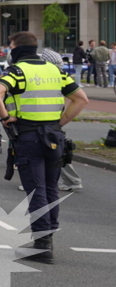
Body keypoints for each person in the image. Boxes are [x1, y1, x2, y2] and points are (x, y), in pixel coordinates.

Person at [0, 31, 88, 264]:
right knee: (51, 188)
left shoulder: (17, 71)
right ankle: (48, 237)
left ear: (17, 49)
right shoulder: (55, 70)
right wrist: (59, 123)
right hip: (54, 136)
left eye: (11, 46)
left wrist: (5, 117)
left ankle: (42, 246)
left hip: (29, 136)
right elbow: (81, 99)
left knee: (37, 190)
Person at [40, 48, 84, 193]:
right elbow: (80, 99)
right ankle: (71, 180)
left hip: (44, 119)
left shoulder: (49, 75)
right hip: (53, 119)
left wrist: (61, 122)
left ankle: (70, 180)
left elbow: (81, 99)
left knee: (50, 151)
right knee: (55, 150)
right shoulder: (59, 76)